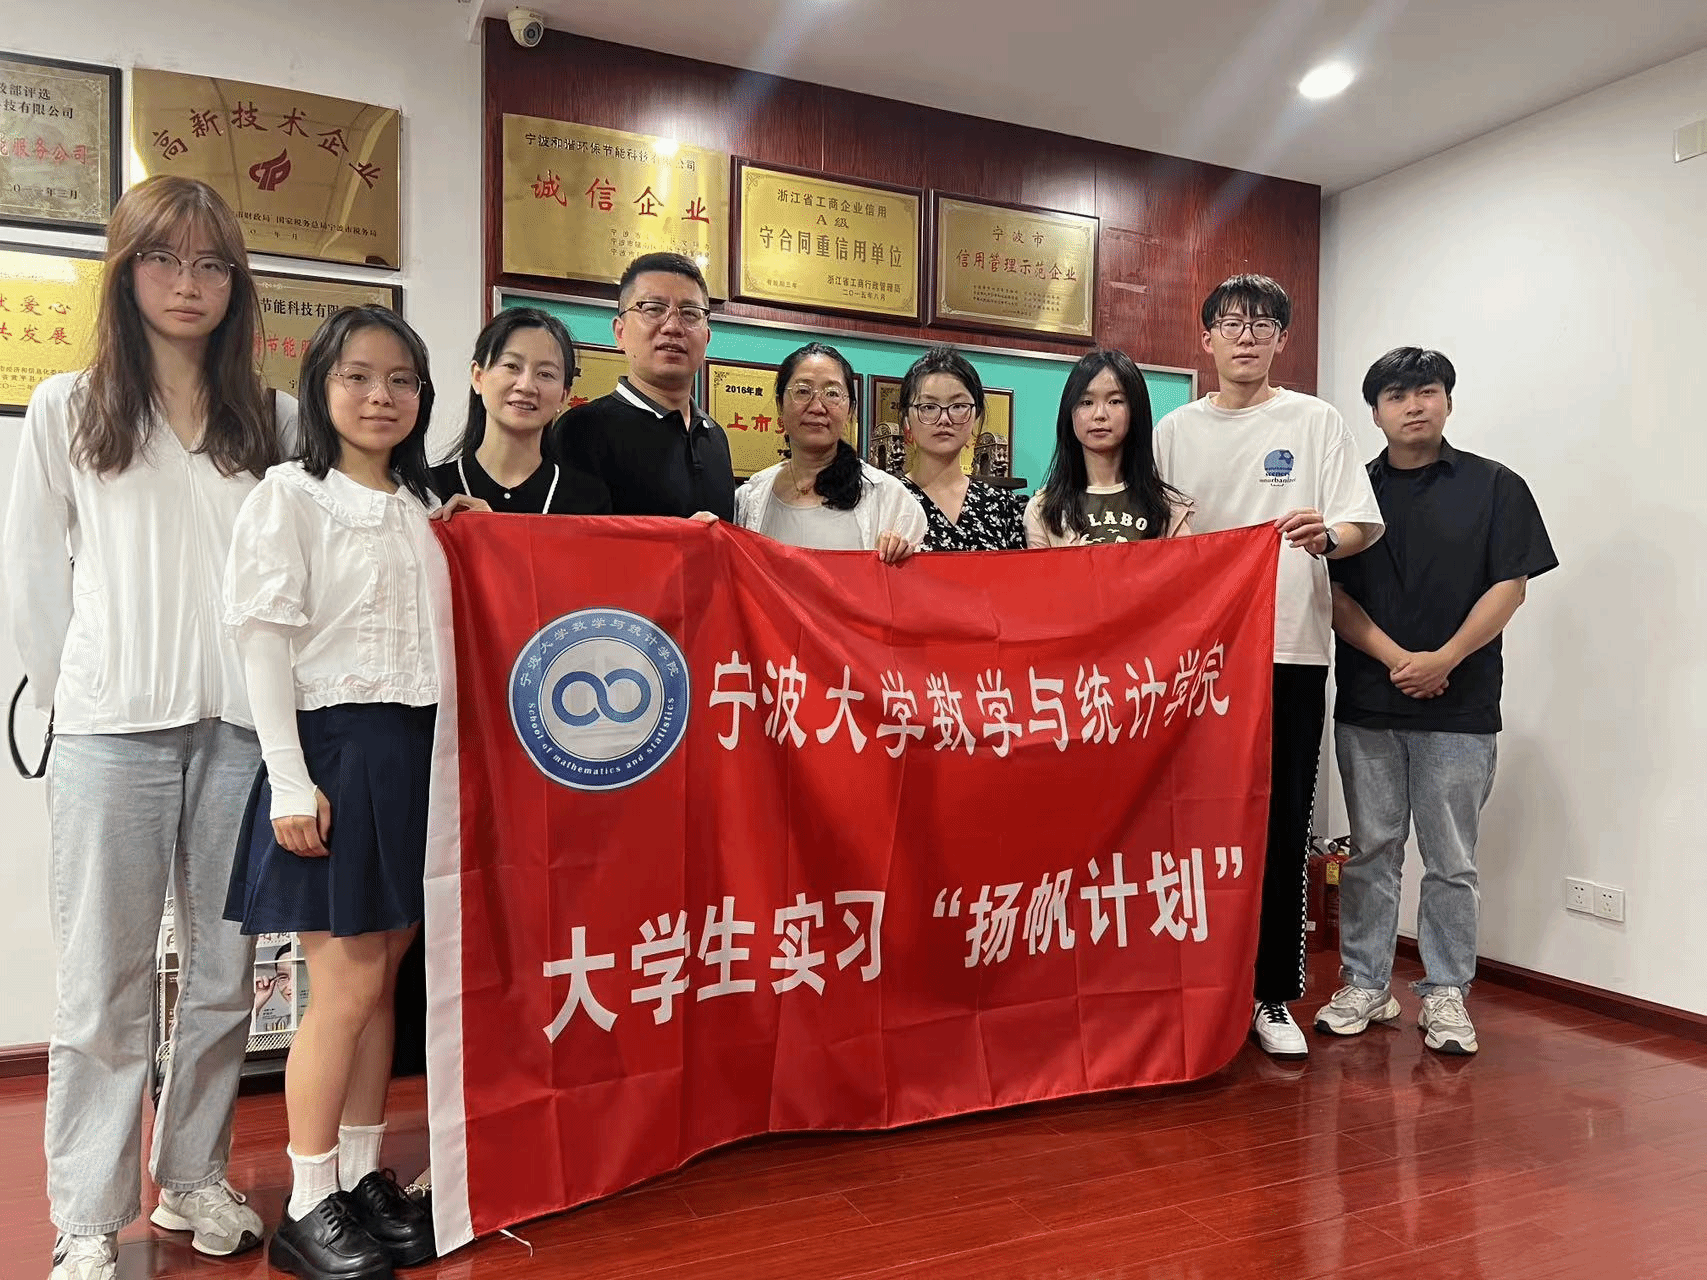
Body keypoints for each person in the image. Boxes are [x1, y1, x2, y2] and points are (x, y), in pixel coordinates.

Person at [3, 174, 295, 1280]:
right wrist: (76, 688)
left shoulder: (270, 419)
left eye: (212, 263)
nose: (188, 283)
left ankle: (192, 1175)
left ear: (236, 285)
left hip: (240, 731)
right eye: (164, 259)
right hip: (110, 730)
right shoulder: (70, 408)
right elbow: (34, 573)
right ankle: (87, 1212)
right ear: (126, 273)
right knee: (102, 983)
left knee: (225, 972)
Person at [222, 305, 485, 1280]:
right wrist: (290, 779)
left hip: (418, 751)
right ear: (321, 384)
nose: (381, 396)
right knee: (343, 988)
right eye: (358, 376)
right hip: (336, 747)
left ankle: (365, 1173)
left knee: (384, 982)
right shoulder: (290, 496)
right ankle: (305, 1198)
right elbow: (263, 640)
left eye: (401, 380)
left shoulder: (421, 507)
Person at [1153, 274, 1385, 1060]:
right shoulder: (1174, 430)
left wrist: (1328, 537)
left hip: (1288, 650)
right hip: (1196, 660)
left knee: (1282, 823)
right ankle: (1189, 982)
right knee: (1190, 822)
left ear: (1282, 339)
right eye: (1230, 322)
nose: (1245, 335)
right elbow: (1154, 539)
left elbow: (1358, 523)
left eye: (1261, 324)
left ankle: (1270, 993)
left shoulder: (1315, 422)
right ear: (1206, 338)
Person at [1313, 349, 1556, 1055]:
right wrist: (1398, 660)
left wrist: (1444, 659)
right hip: (1369, 702)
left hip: (1461, 704)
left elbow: (1510, 586)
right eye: (1396, 396)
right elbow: (1333, 595)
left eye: (1426, 391)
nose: (1413, 406)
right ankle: (1365, 983)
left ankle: (1446, 993)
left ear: (1448, 400)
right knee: (1371, 851)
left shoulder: (1495, 486)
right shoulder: (1351, 494)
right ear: (1374, 412)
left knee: (1452, 860)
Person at [554, 252, 734, 520]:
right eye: (653, 309)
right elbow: (573, 541)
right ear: (620, 332)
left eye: (690, 313)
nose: (673, 326)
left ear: (707, 338)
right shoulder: (581, 430)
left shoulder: (715, 437)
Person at [733, 342, 926, 560]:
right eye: (803, 391)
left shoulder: (890, 498)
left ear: (850, 410)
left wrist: (901, 555)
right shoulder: (749, 499)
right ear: (780, 405)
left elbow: (914, 577)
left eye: (832, 393)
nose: (817, 407)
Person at [429, 306, 610, 515]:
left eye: (545, 374)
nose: (526, 386)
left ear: (563, 396)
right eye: (512, 366)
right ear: (478, 377)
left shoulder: (589, 501)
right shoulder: (429, 489)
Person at [1025, 349, 1193, 547]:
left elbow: (1184, 566)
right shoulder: (1043, 509)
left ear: (1135, 410)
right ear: (1069, 413)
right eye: (1086, 402)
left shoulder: (1169, 508)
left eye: (1115, 401)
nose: (1099, 414)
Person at [898, 346, 1025, 550]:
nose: (944, 419)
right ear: (906, 419)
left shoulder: (1003, 505)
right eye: (928, 407)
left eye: (958, 406)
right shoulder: (890, 500)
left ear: (976, 416)